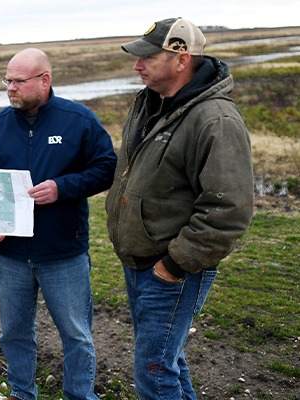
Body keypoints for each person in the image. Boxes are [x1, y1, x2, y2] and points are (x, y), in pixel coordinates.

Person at [105, 18, 254, 399]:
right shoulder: (150, 102)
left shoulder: (215, 119)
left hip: (171, 269)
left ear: (181, 58)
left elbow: (228, 209)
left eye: (148, 57)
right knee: (166, 363)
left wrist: (172, 266)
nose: (137, 65)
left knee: (154, 376)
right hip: (140, 262)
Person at [0, 48, 117, 400]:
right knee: (14, 333)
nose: (10, 88)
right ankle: (22, 393)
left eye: (19, 81)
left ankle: (79, 396)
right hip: (10, 255)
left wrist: (62, 188)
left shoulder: (78, 120)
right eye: (7, 80)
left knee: (76, 335)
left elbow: (107, 168)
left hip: (63, 252)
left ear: (45, 80)